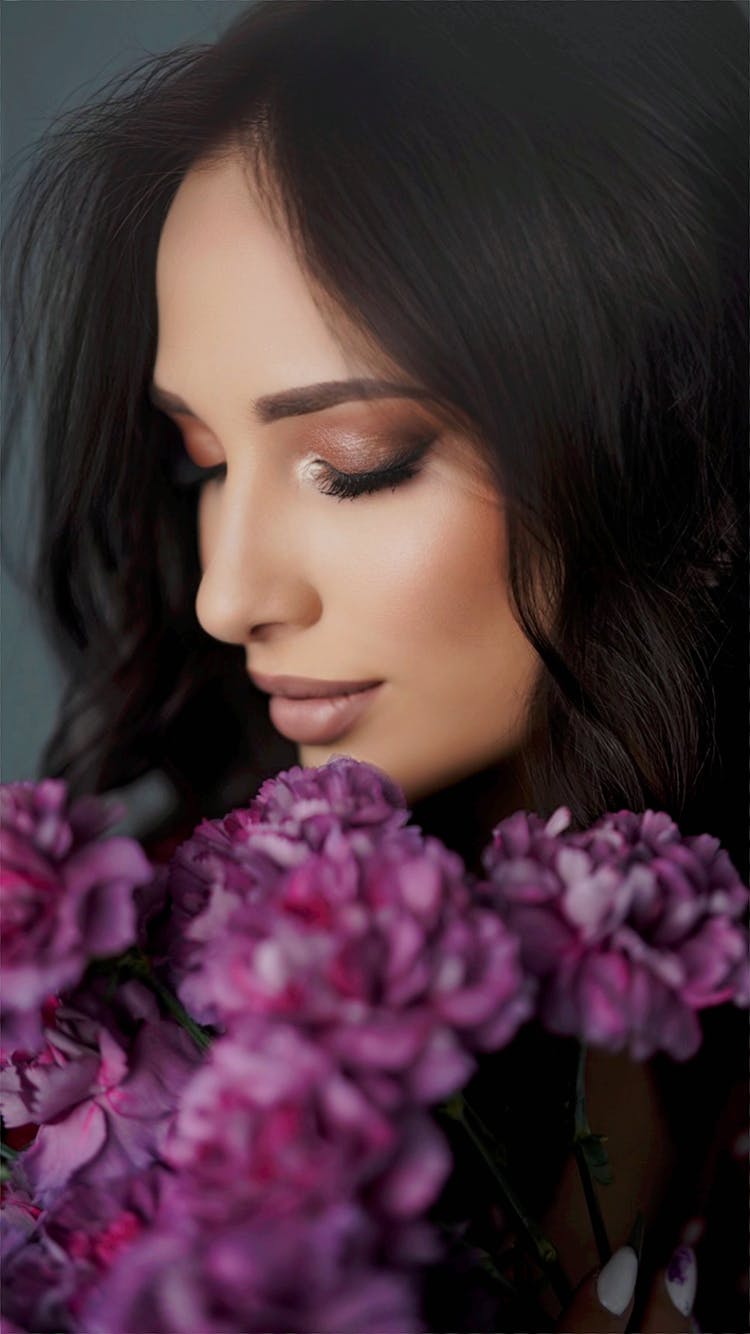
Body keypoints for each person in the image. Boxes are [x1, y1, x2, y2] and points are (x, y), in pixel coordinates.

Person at [3, 2, 747, 1330]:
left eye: (353, 462)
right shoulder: (148, 1010)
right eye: (200, 462)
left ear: (670, 460)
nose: (231, 596)